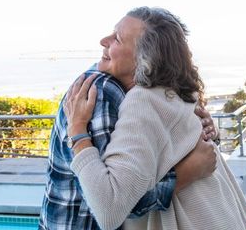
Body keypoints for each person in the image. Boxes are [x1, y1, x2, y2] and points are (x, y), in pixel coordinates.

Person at [65, 7, 246, 230]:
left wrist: (77, 131)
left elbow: (109, 210)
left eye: (117, 38)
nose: (103, 40)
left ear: (145, 59)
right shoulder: (176, 93)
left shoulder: (143, 102)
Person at [39, 58, 218, 227]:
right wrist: (186, 173)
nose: (104, 41)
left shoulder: (151, 94)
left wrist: (204, 130)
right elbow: (110, 203)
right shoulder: (102, 91)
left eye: (118, 38)